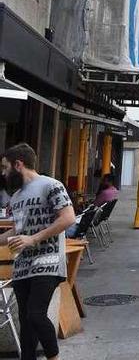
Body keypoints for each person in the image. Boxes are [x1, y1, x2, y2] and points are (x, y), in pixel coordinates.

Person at [0, 144, 75, 360]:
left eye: (5, 168)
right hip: (23, 267)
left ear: (18, 165)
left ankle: (53, 357)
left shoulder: (51, 185)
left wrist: (32, 239)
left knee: (35, 314)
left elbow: (68, 218)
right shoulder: (15, 198)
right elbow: (17, 230)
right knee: (26, 322)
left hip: (48, 262)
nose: (3, 174)